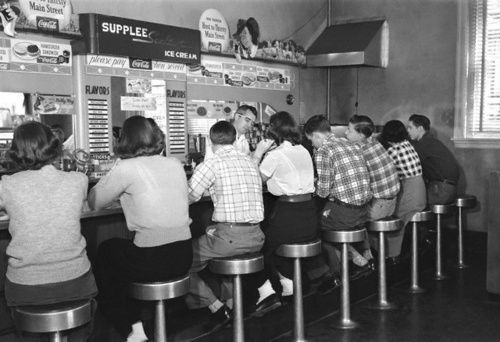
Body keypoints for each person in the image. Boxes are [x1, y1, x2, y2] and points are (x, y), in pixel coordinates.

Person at [88, 116, 192, 342]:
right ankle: (143, 324)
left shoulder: (126, 167)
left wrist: (115, 168)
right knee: (119, 252)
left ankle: (132, 327)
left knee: (107, 252)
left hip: (152, 258)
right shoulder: (174, 163)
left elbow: (94, 200)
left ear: (124, 139)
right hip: (184, 255)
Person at [1, 121, 97, 340]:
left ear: (16, 151)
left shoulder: (7, 184)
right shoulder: (78, 180)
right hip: (76, 283)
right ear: (53, 146)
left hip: (26, 288)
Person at [187, 120, 265, 333]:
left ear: (211, 142)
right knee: (220, 248)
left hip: (230, 238)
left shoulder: (211, 164)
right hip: (257, 236)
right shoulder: (250, 162)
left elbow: (189, 197)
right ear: (233, 139)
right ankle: (232, 308)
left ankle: (217, 307)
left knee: (180, 260)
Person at [253, 112, 317, 315]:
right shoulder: (304, 150)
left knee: (259, 248)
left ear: (273, 130)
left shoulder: (275, 155)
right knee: (275, 244)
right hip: (309, 214)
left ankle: (267, 293)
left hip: (288, 214)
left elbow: (254, 181)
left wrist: (258, 153)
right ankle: (289, 284)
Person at [304, 115, 372, 288]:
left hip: (346, 212)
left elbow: (324, 191)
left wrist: (313, 185)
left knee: (314, 228)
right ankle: (358, 260)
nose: (312, 144)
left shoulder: (323, 151)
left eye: (311, 140)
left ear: (318, 136)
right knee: (328, 219)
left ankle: (336, 276)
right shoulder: (350, 143)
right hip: (364, 211)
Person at [345, 115, 400, 264]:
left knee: (341, 222)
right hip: (391, 204)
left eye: (349, 130)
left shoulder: (359, 150)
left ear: (361, 135)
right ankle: (367, 252)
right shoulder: (374, 142)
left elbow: (352, 182)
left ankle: (358, 259)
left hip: (379, 207)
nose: (345, 133)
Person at [379, 120, 426, 261]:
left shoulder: (392, 151)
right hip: (420, 190)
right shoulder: (407, 144)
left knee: (393, 218)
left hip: (409, 193)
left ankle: (391, 255)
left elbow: (384, 174)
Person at [407, 114, 459, 205]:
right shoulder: (431, 141)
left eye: (410, 128)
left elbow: (409, 167)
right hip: (448, 189)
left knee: (406, 202)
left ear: (420, 129)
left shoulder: (423, 144)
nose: (408, 131)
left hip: (441, 190)